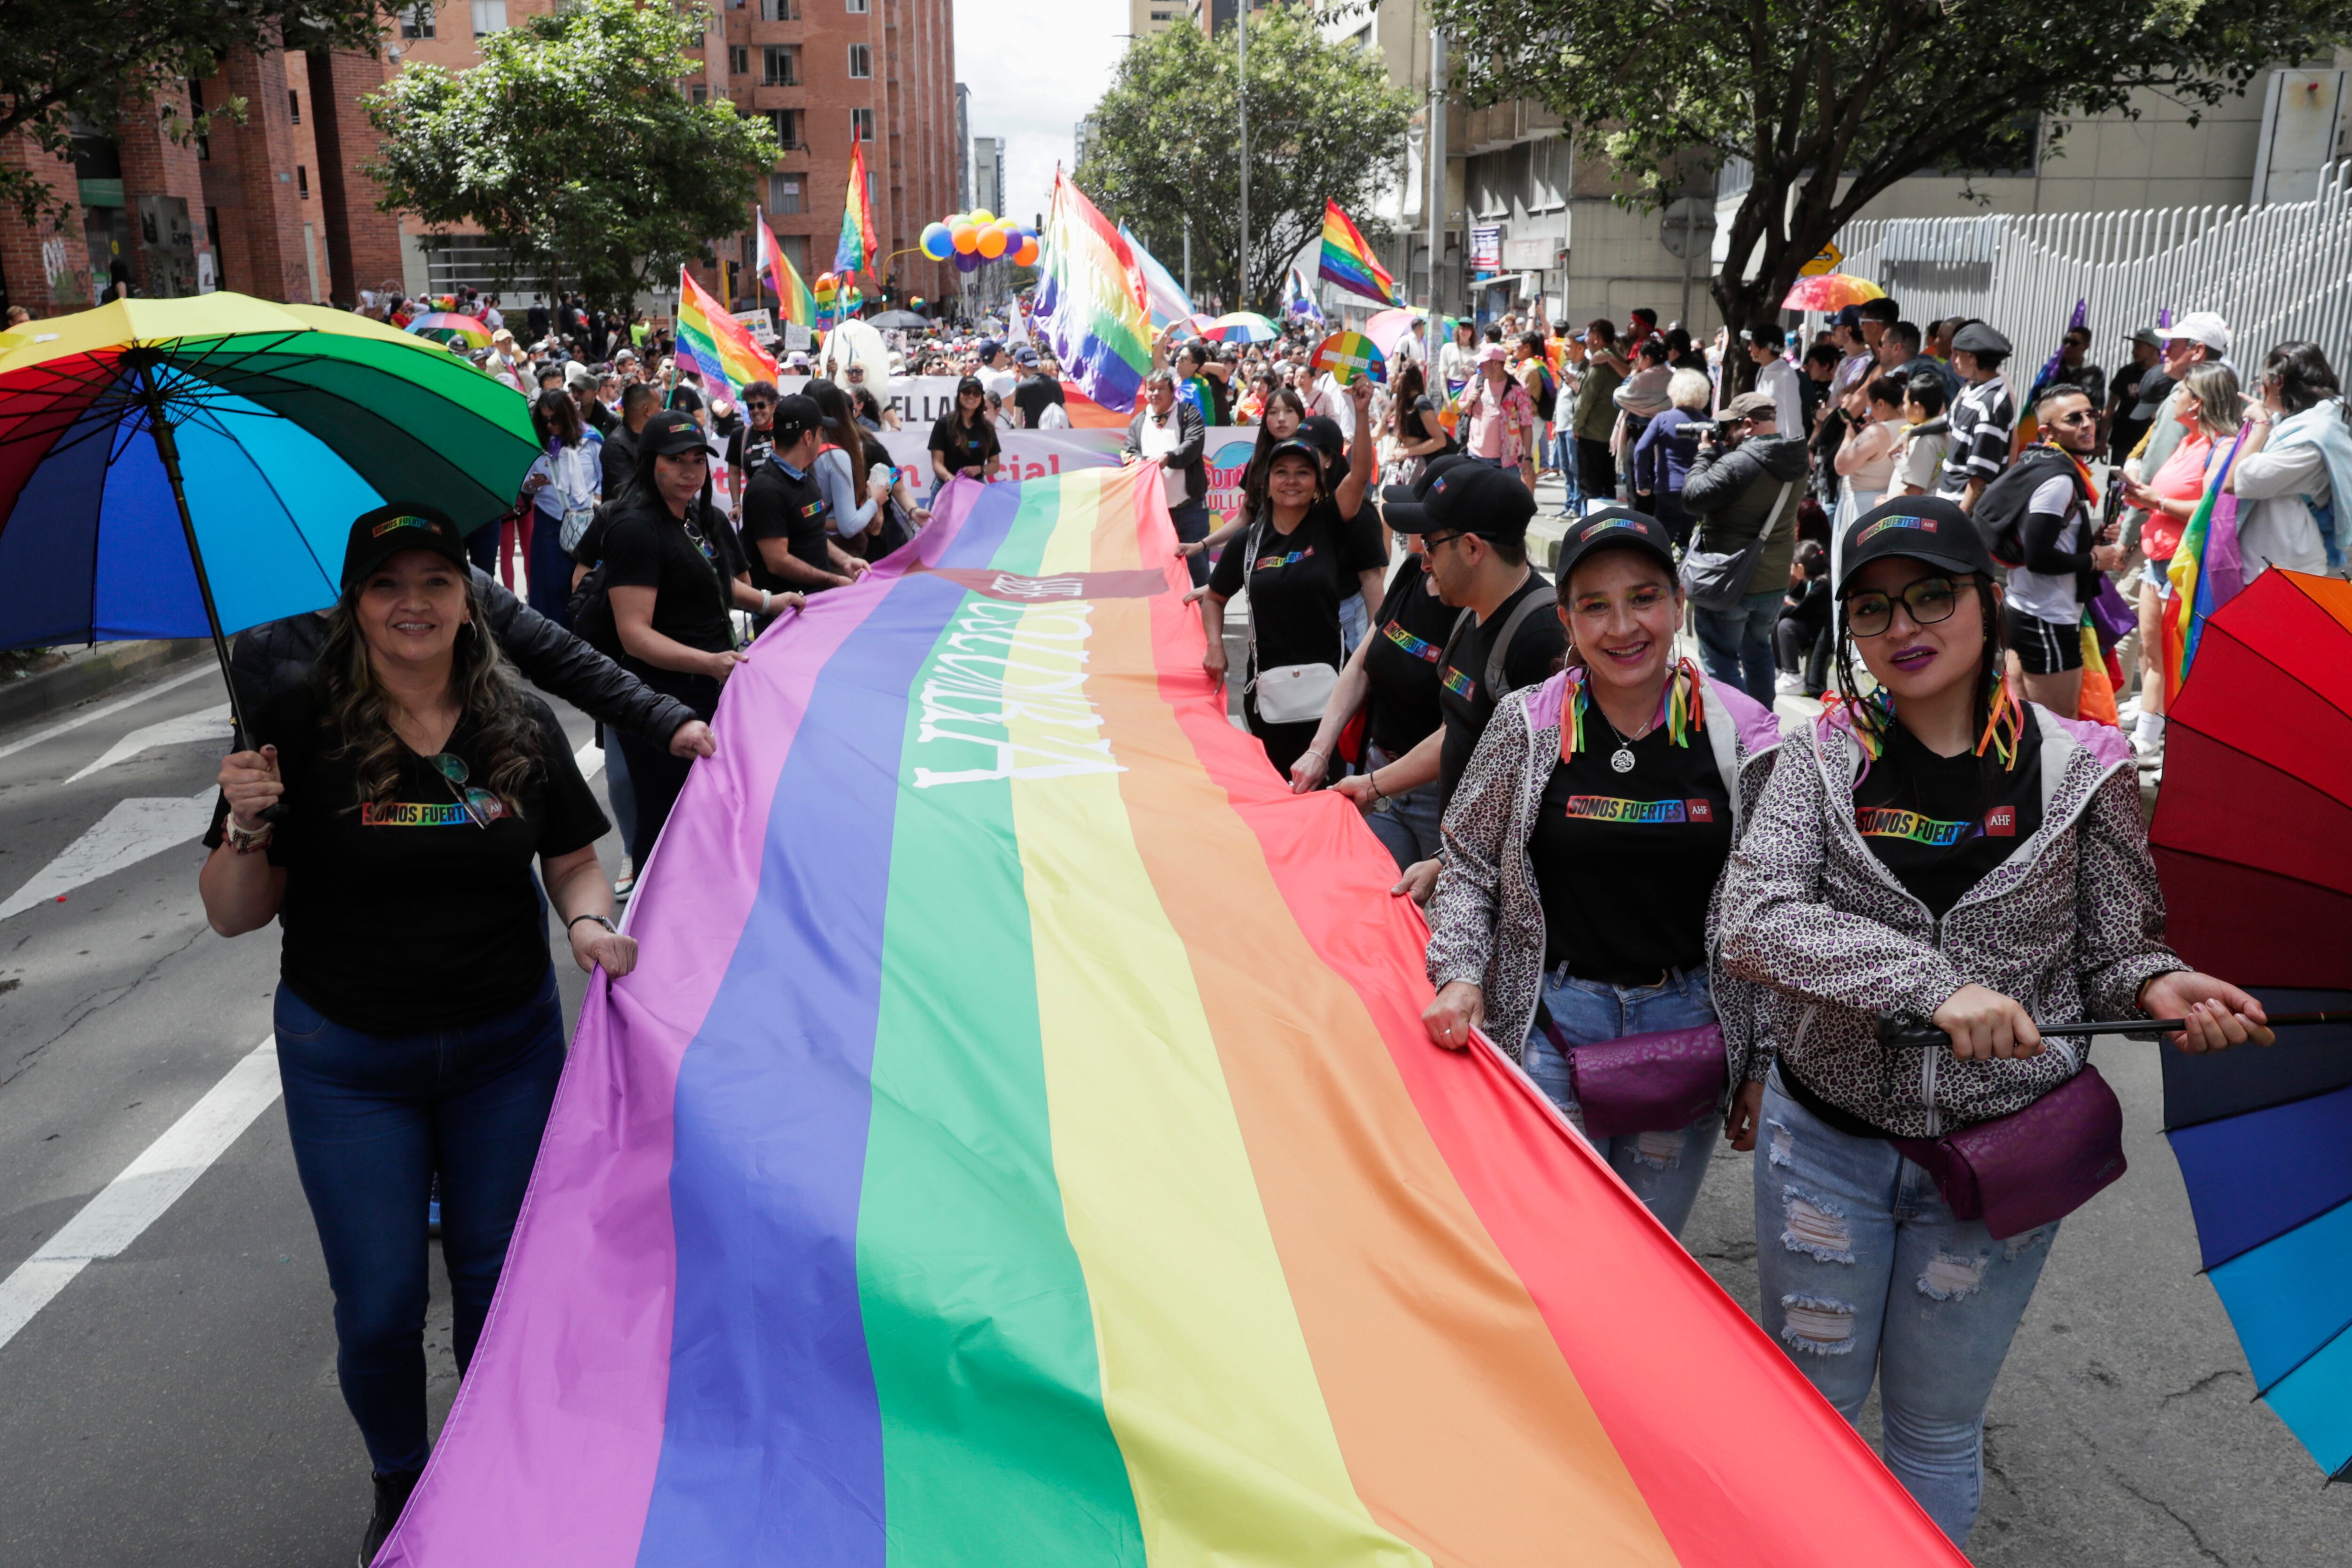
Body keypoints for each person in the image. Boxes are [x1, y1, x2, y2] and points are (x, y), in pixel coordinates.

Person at [1714, 494, 2269, 1549]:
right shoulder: (1820, 760)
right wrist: (1928, 984)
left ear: (1987, 597)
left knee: (1934, 1430)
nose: (1903, 627)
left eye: (1931, 595)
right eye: (1872, 609)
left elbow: (2115, 946)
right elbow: (1754, 919)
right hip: (1823, 1144)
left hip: (1999, 1161)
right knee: (1808, 1418)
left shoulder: (2083, 767)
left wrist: (2155, 983)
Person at [199, 503, 637, 1565]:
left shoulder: (517, 720)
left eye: (435, 580)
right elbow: (233, 913)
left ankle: (487, 1480)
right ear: (354, 604)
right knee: (381, 1305)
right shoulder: (293, 728)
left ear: (468, 599)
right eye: (387, 584)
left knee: (499, 1288)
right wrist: (249, 825)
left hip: (506, 1052)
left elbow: (575, 857)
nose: (413, 603)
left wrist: (586, 921)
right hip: (350, 1061)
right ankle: (401, 1481)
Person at [1421, 507, 1784, 1235]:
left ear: (1679, 602)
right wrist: (1459, 972)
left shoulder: (1745, 734)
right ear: (1567, 620)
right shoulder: (1527, 722)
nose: (1623, 627)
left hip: (1687, 1029)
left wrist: (1759, 1060)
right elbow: (1467, 860)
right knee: (1551, 1245)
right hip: (1550, 1024)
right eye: (1595, 606)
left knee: (1645, 1247)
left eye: (1644, 598)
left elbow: (1777, 906)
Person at [599, 410, 784, 865]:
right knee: (669, 830)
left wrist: (771, 601)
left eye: (698, 460)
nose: (690, 471)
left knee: (713, 822)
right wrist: (710, 662)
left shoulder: (693, 517)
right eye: (676, 460)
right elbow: (634, 635)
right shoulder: (634, 527)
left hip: (708, 692)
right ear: (649, 463)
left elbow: (715, 585)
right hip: (662, 704)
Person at [1199, 381, 1385, 780]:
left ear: (1318, 482)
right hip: (1268, 697)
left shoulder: (1329, 525)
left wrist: (1362, 413)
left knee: (1326, 792)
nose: (1291, 480)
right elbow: (1214, 598)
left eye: (1303, 473)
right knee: (1274, 791)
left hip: (1328, 696)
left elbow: (1359, 476)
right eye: (1281, 472)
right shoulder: (1248, 543)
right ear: (1266, 482)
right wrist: (1215, 646)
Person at [1292, 465, 1463, 869]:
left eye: (1428, 536)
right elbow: (1362, 665)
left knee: (1429, 907)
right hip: (1378, 774)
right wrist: (1319, 750)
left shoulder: (1476, 608)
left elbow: (1458, 728)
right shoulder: (1411, 573)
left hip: (1439, 795)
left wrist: (1374, 784)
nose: (1417, 549)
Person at [2118, 360, 2237, 764]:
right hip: (2158, 560)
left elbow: (2209, 508)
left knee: (2175, 657)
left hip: (2182, 566)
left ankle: (2175, 744)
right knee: (2152, 653)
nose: (2174, 399)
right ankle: (2148, 737)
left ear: (2198, 402)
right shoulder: (2188, 440)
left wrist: (2157, 501)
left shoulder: (2220, 447)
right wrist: (2146, 499)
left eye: (2180, 392)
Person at [1682, 390, 1810, 704]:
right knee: (1759, 651)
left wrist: (1704, 454)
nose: (1726, 432)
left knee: (1721, 657)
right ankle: (1762, 722)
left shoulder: (1738, 463)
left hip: (1730, 580)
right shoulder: (1797, 459)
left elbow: (1692, 497)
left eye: (1731, 425)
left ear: (1749, 424)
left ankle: (1737, 725)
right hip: (1773, 581)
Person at [2005, 387, 2120, 719]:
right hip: (2047, 619)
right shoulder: (2058, 480)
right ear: (2048, 432)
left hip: (2024, 610)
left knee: (2025, 724)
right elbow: (2039, 557)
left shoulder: (2037, 464)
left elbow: (2043, 538)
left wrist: (2088, 540)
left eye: (2091, 414)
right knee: (2059, 727)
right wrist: (2096, 559)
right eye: (2074, 418)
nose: (2088, 424)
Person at [2225, 340, 2347, 582]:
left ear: (2278, 382)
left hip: (2286, 567)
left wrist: (2262, 426)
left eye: (2261, 383)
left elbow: (2235, 481)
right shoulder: (2295, 425)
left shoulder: (2311, 439)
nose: (2260, 391)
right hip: (2268, 561)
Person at [740, 391, 869, 600]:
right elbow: (777, 561)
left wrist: (846, 561)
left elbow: (812, 533)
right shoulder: (766, 490)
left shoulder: (805, 476)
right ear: (808, 437)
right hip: (788, 610)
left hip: (816, 601)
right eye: (821, 433)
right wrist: (834, 580)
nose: (822, 440)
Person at [1123, 368, 1212, 586]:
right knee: (1160, 572)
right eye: (1151, 389)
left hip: (1190, 509)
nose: (1155, 394)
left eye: (1161, 389)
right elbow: (1127, 452)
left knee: (1199, 569)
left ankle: (1205, 607)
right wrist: (1143, 462)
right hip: (1156, 513)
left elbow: (1193, 445)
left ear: (1172, 391)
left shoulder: (1188, 413)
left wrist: (1168, 458)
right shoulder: (1139, 422)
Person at [524, 389, 601, 628]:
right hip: (549, 523)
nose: (550, 426)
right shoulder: (538, 444)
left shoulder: (591, 441)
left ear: (567, 416)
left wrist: (596, 503)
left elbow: (604, 478)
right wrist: (533, 484)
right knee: (549, 588)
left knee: (584, 587)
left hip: (586, 523)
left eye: (555, 420)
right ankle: (550, 639)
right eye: (545, 420)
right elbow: (525, 486)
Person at [809, 380, 897, 563]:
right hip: (832, 551)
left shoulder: (804, 450)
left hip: (811, 547)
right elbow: (849, 525)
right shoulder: (835, 456)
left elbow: (806, 514)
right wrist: (875, 500)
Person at [1936, 322, 2017, 510]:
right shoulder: (1972, 390)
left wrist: (1961, 517)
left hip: (1963, 509)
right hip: (1949, 501)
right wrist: (1910, 434)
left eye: (1957, 354)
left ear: (1971, 358)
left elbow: (1980, 477)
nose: (1954, 361)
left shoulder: (1991, 407)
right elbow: (1948, 421)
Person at [1631, 367, 1711, 548]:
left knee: (1661, 540)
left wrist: (1643, 482)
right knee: (1686, 538)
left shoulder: (1663, 419)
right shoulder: (1708, 423)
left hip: (1669, 487)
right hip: (1697, 489)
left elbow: (1641, 449)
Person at [1832, 375, 1906, 532]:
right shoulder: (1910, 427)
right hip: (1888, 502)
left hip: (1864, 508)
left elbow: (1842, 466)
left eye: (1870, 407)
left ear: (1880, 404)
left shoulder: (1876, 432)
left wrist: (1849, 437)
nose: (1870, 413)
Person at [1459, 343, 1538, 485]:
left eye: (1483, 363)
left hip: (1507, 461)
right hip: (1475, 456)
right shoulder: (1476, 381)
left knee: (1504, 498)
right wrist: (1468, 402)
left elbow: (1527, 426)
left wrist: (1527, 458)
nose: (1480, 366)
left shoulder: (1518, 389)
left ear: (1496, 363)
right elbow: (1461, 408)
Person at [1574, 321, 1626, 504]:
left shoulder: (1600, 361)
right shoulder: (1620, 358)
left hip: (1593, 433)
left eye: (1588, 337)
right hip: (1615, 433)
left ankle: (1592, 521)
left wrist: (1577, 425)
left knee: (1590, 487)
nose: (1586, 341)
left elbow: (1586, 399)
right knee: (1609, 486)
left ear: (1596, 338)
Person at [1381, 360, 1451, 491]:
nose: (1390, 379)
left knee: (1408, 501)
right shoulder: (1398, 403)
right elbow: (1377, 433)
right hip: (1398, 467)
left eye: (1393, 376)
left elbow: (1440, 441)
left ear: (1401, 380)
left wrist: (1407, 452)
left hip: (1417, 467)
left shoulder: (1421, 403)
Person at [1775, 539, 1832, 697]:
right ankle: (1781, 671)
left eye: (1792, 566)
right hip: (1810, 628)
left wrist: (1789, 606)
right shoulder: (1811, 581)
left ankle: (1792, 676)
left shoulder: (1823, 585)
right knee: (1778, 623)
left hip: (1817, 635)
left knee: (1786, 626)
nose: (1791, 569)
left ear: (1800, 568)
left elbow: (1800, 611)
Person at [928, 375, 1001, 488]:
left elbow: (995, 465)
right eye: (967, 392)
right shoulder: (943, 424)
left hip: (976, 486)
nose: (971, 396)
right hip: (946, 485)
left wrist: (981, 469)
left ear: (981, 398)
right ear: (959, 395)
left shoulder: (987, 428)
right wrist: (949, 478)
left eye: (976, 393)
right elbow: (937, 463)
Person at [2106, 327, 2168, 463]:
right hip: (2123, 441)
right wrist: (2101, 440)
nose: (2134, 351)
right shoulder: (2126, 373)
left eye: (2139, 346)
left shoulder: (2165, 375)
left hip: (2151, 442)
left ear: (2153, 348)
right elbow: (2111, 406)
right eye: (2134, 346)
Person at [1891, 377, 1951, 497]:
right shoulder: (1946, 433)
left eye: (1905, 403)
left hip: (1917, 507)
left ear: (1917, 407)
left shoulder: (1924, 441)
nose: (1903, 408)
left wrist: (1886, 504)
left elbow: (1916, 490)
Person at [1743, 323, 1803, 436]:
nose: (1749, 348)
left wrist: (1793, 444)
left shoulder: (1787, 375)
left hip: (1779, 443)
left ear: (1765, 350)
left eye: (1753, 345)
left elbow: (1793, 418)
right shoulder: (1762, 371)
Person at [725, 380, 781, 501]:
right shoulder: (739, 435)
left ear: (773, 407)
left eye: (761, 405)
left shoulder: (783, 432)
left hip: (784, 502)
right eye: (751, 406)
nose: (756, 411)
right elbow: (734, 473)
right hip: (754, 502)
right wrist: (736, 504)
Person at [603, 383, 658, 501]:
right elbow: (628, 492)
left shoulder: (655, 436)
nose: (662, 411)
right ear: (647, 410)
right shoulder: (616, 446)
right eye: (659, 406)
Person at [1010, 346, 1065, 428]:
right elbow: (1064, 412)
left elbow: (1017, 422)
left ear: (1021, 365)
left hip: (1033, 434)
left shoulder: (1022, 387)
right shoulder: (1055, 383)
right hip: (1055, 434)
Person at [1437, 318, 1480, 401]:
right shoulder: (1447, 348)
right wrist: (1447, 399)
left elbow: (1480, 373)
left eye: (1468, 329)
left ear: (1472, 332)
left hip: (1470, 390)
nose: (1465, 332)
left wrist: (1471, 371)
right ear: (1458, 331)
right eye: (1463, 329)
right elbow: (1443, 375)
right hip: (1452, 390)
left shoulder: (1478, 350)